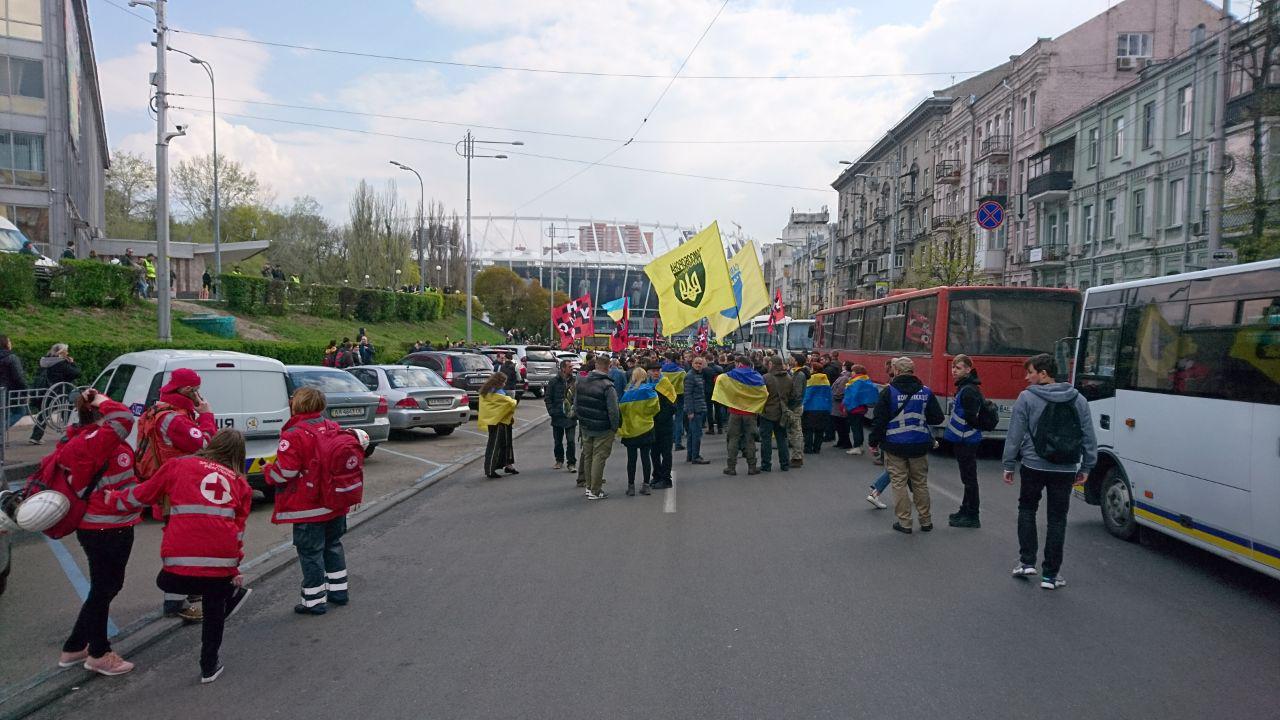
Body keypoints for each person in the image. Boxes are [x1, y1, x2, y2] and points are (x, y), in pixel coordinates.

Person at [114, 430, 252, 684]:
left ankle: (226, 592)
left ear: (213, 445)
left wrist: (113, 500)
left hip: (180, 555)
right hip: (221, 559)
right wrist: (234, 570)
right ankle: (209, 667)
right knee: (215, 608)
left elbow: (143, 493)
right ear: (238, 456)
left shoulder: (179, 465)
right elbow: (238, 533)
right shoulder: (240, 484)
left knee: (166, 582)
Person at [54, 390, 141, 677]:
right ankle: (99, 653)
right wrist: (103, 400)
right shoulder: (98, 440)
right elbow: (124, 417)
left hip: (95, 525)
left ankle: (75, 646)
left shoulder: (76, 438)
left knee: (104, 587)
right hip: (108, 525)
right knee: (105, 588)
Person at [1003, 353, 1097, 590]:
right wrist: (1087, 465)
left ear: (1043, 374)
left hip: (1033, 464)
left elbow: (1015, 434)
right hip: (1065, 467)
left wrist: (1009, 464)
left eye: (1030, 372)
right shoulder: (1078, 399)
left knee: (1027, 509)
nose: (1027, 378)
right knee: (1057, 519)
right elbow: (1088, 434)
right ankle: (1051, 576)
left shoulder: (1026, 398)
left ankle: (1027, 562)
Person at [263, 387, 357, 615]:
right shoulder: (332, 426)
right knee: (333, 546)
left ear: (297, 404)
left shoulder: (294, 434)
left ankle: (314, 601)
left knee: (311, 553)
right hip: (335, 501)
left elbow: (286, 472)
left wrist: (268, 471)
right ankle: (339, 592)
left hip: (308, 506)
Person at [136, 367, 217, 621]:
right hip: (179, 490)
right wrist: (207, 416)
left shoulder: (162, 411)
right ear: (188, 390)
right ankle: (175, 602)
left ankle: (189, 591)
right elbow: (206, 444)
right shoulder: (174, 419)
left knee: (186, 543)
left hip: (173, 486)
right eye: (197, 389)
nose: (199, 394)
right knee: (181, 546)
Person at [869, 356, 944, 534]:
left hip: (894, 444)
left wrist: (873, 442)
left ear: (896, 370)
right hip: (919, 444)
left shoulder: (888, 392)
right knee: (920, 483)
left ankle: (905, 522)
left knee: (899, 483)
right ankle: (926, 521)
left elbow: (879, 420)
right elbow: (938, 418)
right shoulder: (926, 392)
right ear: (912, 371)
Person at [945, 354, 986, 529]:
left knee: (969, 479)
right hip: (963, 438)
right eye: (953, 367)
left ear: (968, 369)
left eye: (958, 368)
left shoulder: (968, 389)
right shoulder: (965, 387)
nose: (954, 371)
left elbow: (971, 416)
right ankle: (965, 510)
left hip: (967, 439)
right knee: (967, 478)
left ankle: (972, 515)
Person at [574, 356, 620, 500]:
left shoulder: (581, 381)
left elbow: (576, 404)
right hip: (603, 427)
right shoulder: (608, 386)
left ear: (596, 366)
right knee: (599, 457)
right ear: (608, 367)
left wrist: (581, 419)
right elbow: (613, 410)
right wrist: (614, 427)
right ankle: (595, 490)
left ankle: (589, 487)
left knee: (588, 456)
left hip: (585, 425)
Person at [719, 355, 763, 476]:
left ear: (739, 364)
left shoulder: (731, 374)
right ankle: (752, 467)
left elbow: (719, 381)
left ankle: (731, 467)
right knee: (750, 439)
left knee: (733, 438)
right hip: (750, 412)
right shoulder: (756, 376)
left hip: (735, 411)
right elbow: (763, 392)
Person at [29, 343, 81, 445]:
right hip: (61, 391)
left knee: (44, 413)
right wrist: (72, 363)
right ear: (61, 352)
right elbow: (76, 373)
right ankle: (73, 434)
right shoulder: (62, 363)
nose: (67, 353)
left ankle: (35, 436)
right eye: (66, 351)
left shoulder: (45, 361)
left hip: (47, 390)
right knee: (68, 413)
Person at [618, 368, 659, 496]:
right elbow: (656, 408)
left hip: (631, 430)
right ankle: (646, 485)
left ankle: (631, 486)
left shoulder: (627, 394)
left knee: (631, 459)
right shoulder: (649, 391)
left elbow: (622, 412)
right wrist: (646, 416)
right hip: (646, 428)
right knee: (645, 457)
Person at [478, 373, 519, 478]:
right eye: (504, 382)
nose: (505, 384)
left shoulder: (486, 391)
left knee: (505, 444)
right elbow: (510, 403)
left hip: (496, 421)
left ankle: (508, 465)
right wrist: (513, 402)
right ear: (499, 382)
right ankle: (490, 470)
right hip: (499, 422)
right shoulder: (496, 392)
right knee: (496, 445)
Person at [759, 357, 795, 472]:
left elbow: (760, 395)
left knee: (766, 440)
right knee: (782, 439)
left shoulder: (766, 378)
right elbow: (792, 396)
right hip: (782, 413)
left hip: (767, 412)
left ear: (771, 364)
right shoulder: (789, 378)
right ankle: (785, 464)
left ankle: (766, 464)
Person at [647, 361, 678, 486]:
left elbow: (673, 405)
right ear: (649, 372)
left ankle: (666, 478)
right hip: (651, 424)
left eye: (658, 371)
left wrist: (660, 418)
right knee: (654, 452)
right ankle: (657, 475)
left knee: (666, 452)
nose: (656, 373)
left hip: (665, 424)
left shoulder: (665, 384)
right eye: (653, 371)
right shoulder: (647, 385)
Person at [545, 360, 577, 472]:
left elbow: (578, 398)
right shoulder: (554, 382)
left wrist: (576, 412)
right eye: (569, 367)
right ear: (563, 368)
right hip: (557, 416)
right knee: (558, 441)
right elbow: (548, 398)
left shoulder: (574, 382)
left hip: (570, 416)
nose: (572, 368)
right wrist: (552, 411)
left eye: (572, 366)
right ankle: (559, 460)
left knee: (571, 441)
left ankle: (571, 463)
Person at [844, 364, 877, 457]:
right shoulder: (865, 380)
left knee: (855, 428)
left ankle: (857, 447)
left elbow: (851, 396)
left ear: (855, 372)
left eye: (852, 371)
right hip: (862, 408)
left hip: (854, 408)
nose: (851, 373)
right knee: (859, 427)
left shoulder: (856, 382)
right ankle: (860, 446)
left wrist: (846, 405)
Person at [801, 366, 832, 454]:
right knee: (820, 429)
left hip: (811, 407)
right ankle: (817, 448)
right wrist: (829, 407)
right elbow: (829, 395)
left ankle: (808, 448)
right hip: (824, 407)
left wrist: (802, 404)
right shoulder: (826, 380)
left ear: (814, 370)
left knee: (808, 429)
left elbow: (808, 394)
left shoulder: (811, 379)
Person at [0, 335, 29, 429]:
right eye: (9, 341)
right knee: (20, 411)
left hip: (5, 390)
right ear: (6, 344)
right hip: (9, 391)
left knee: (4, 415)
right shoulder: (12, 358)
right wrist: (25, 392)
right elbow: (19, 377)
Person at [683, 356, 708, 463]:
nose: (698, 365)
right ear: (692, 363)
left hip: (698, 407)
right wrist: (690, 411)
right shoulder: (690, 376)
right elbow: (688, 394)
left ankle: (691, 455)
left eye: (700, 363)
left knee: (692, 433)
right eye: (696, 363)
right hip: (695, 409)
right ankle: (695, 456)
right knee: (696, 434)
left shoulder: (698, 375)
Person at [786, 354, 809, 468]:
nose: (789, 359)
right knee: (794, 431)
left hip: (795, 406)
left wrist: (790, 405)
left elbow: (797, 393)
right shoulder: (795, 373)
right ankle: (796, 455)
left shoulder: (799, 375)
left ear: (796, 362)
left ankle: (797, 457)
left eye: (792, 359)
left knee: (796, 432)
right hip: (795, 406)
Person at [831, 362, 853, 449]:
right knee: (840, 425)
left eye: (843, 365)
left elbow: (839, 392)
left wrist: (834, 395)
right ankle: (841, 441)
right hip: (839, 405)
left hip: (839, 405)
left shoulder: (844, 378)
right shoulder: (844, 376)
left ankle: (845, 442)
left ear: (846, 367)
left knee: (841, 425)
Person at [704, 354, 724, 435]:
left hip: (708, 391)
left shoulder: (705, 370)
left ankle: (711, 428)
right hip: (717, 391)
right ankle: (720, 428)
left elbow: (704, 380)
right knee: (718, 410)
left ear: (707, 359)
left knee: (709, 410)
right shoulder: (720, 368)